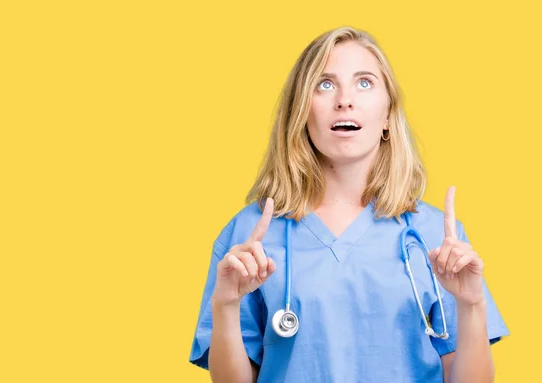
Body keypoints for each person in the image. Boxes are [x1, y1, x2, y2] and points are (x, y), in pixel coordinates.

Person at [188, 26, 509, 383]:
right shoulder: (249, 235)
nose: (344, 100)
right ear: (300, 112)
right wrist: (226, 306)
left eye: (365, 82)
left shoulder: (435, 235)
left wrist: (471, 305)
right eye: (324, 84)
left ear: (388, 115)